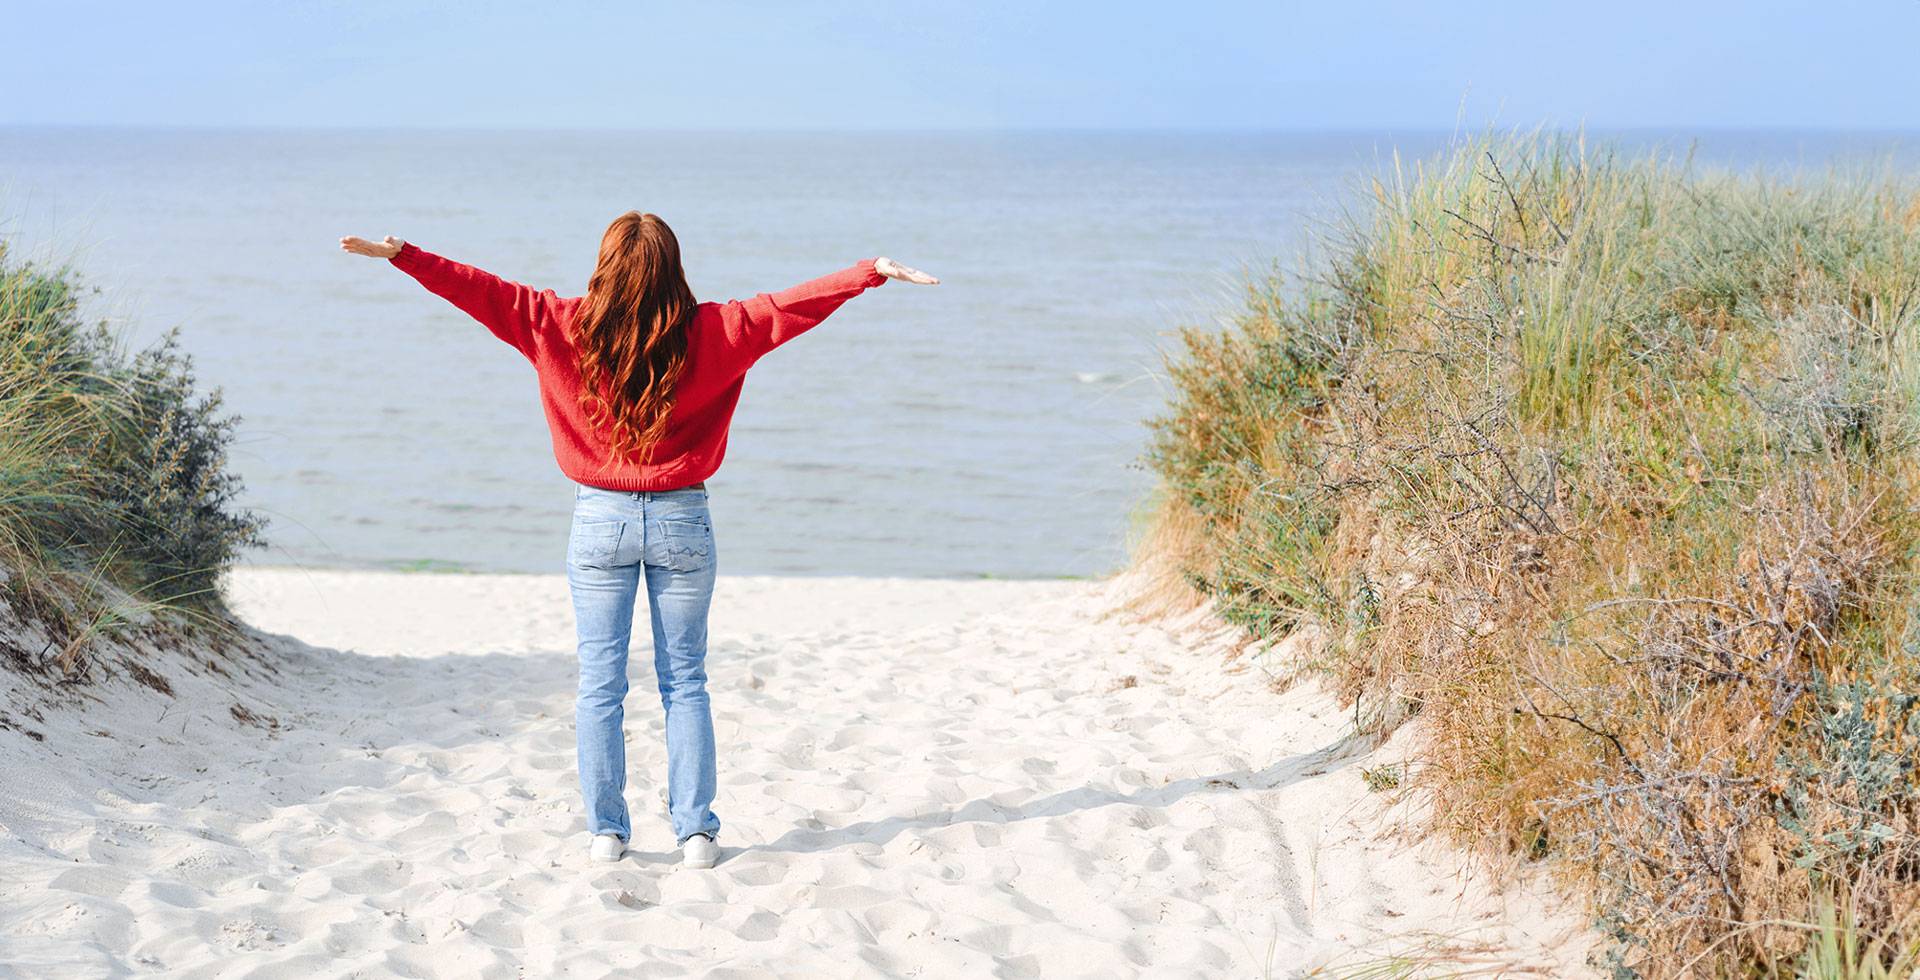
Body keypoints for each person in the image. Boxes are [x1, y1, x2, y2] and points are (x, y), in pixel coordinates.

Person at [339, 213, 937, 869]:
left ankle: (606, 832)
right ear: (672, 269)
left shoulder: (555, 321)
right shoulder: (718, 329)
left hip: (600, 521)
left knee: (600, 687)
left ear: (604, 268)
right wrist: (866, 274)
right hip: (683, 520)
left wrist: (407, 256)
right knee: (686, 683)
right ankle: (696, 836)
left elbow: (482, 291)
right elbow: (789, 309)